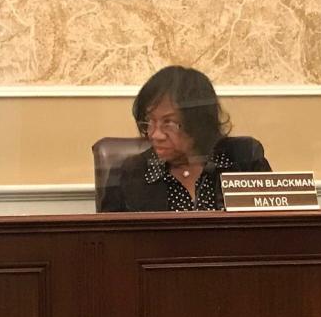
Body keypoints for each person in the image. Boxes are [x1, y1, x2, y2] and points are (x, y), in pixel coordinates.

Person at [100, 66, 271, 212]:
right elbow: (111, 243)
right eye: (150, 121)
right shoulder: (132, 174)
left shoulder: (244, 160)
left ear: (198, 123)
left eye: (169, 123)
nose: (155, 134)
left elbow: (273, 233)